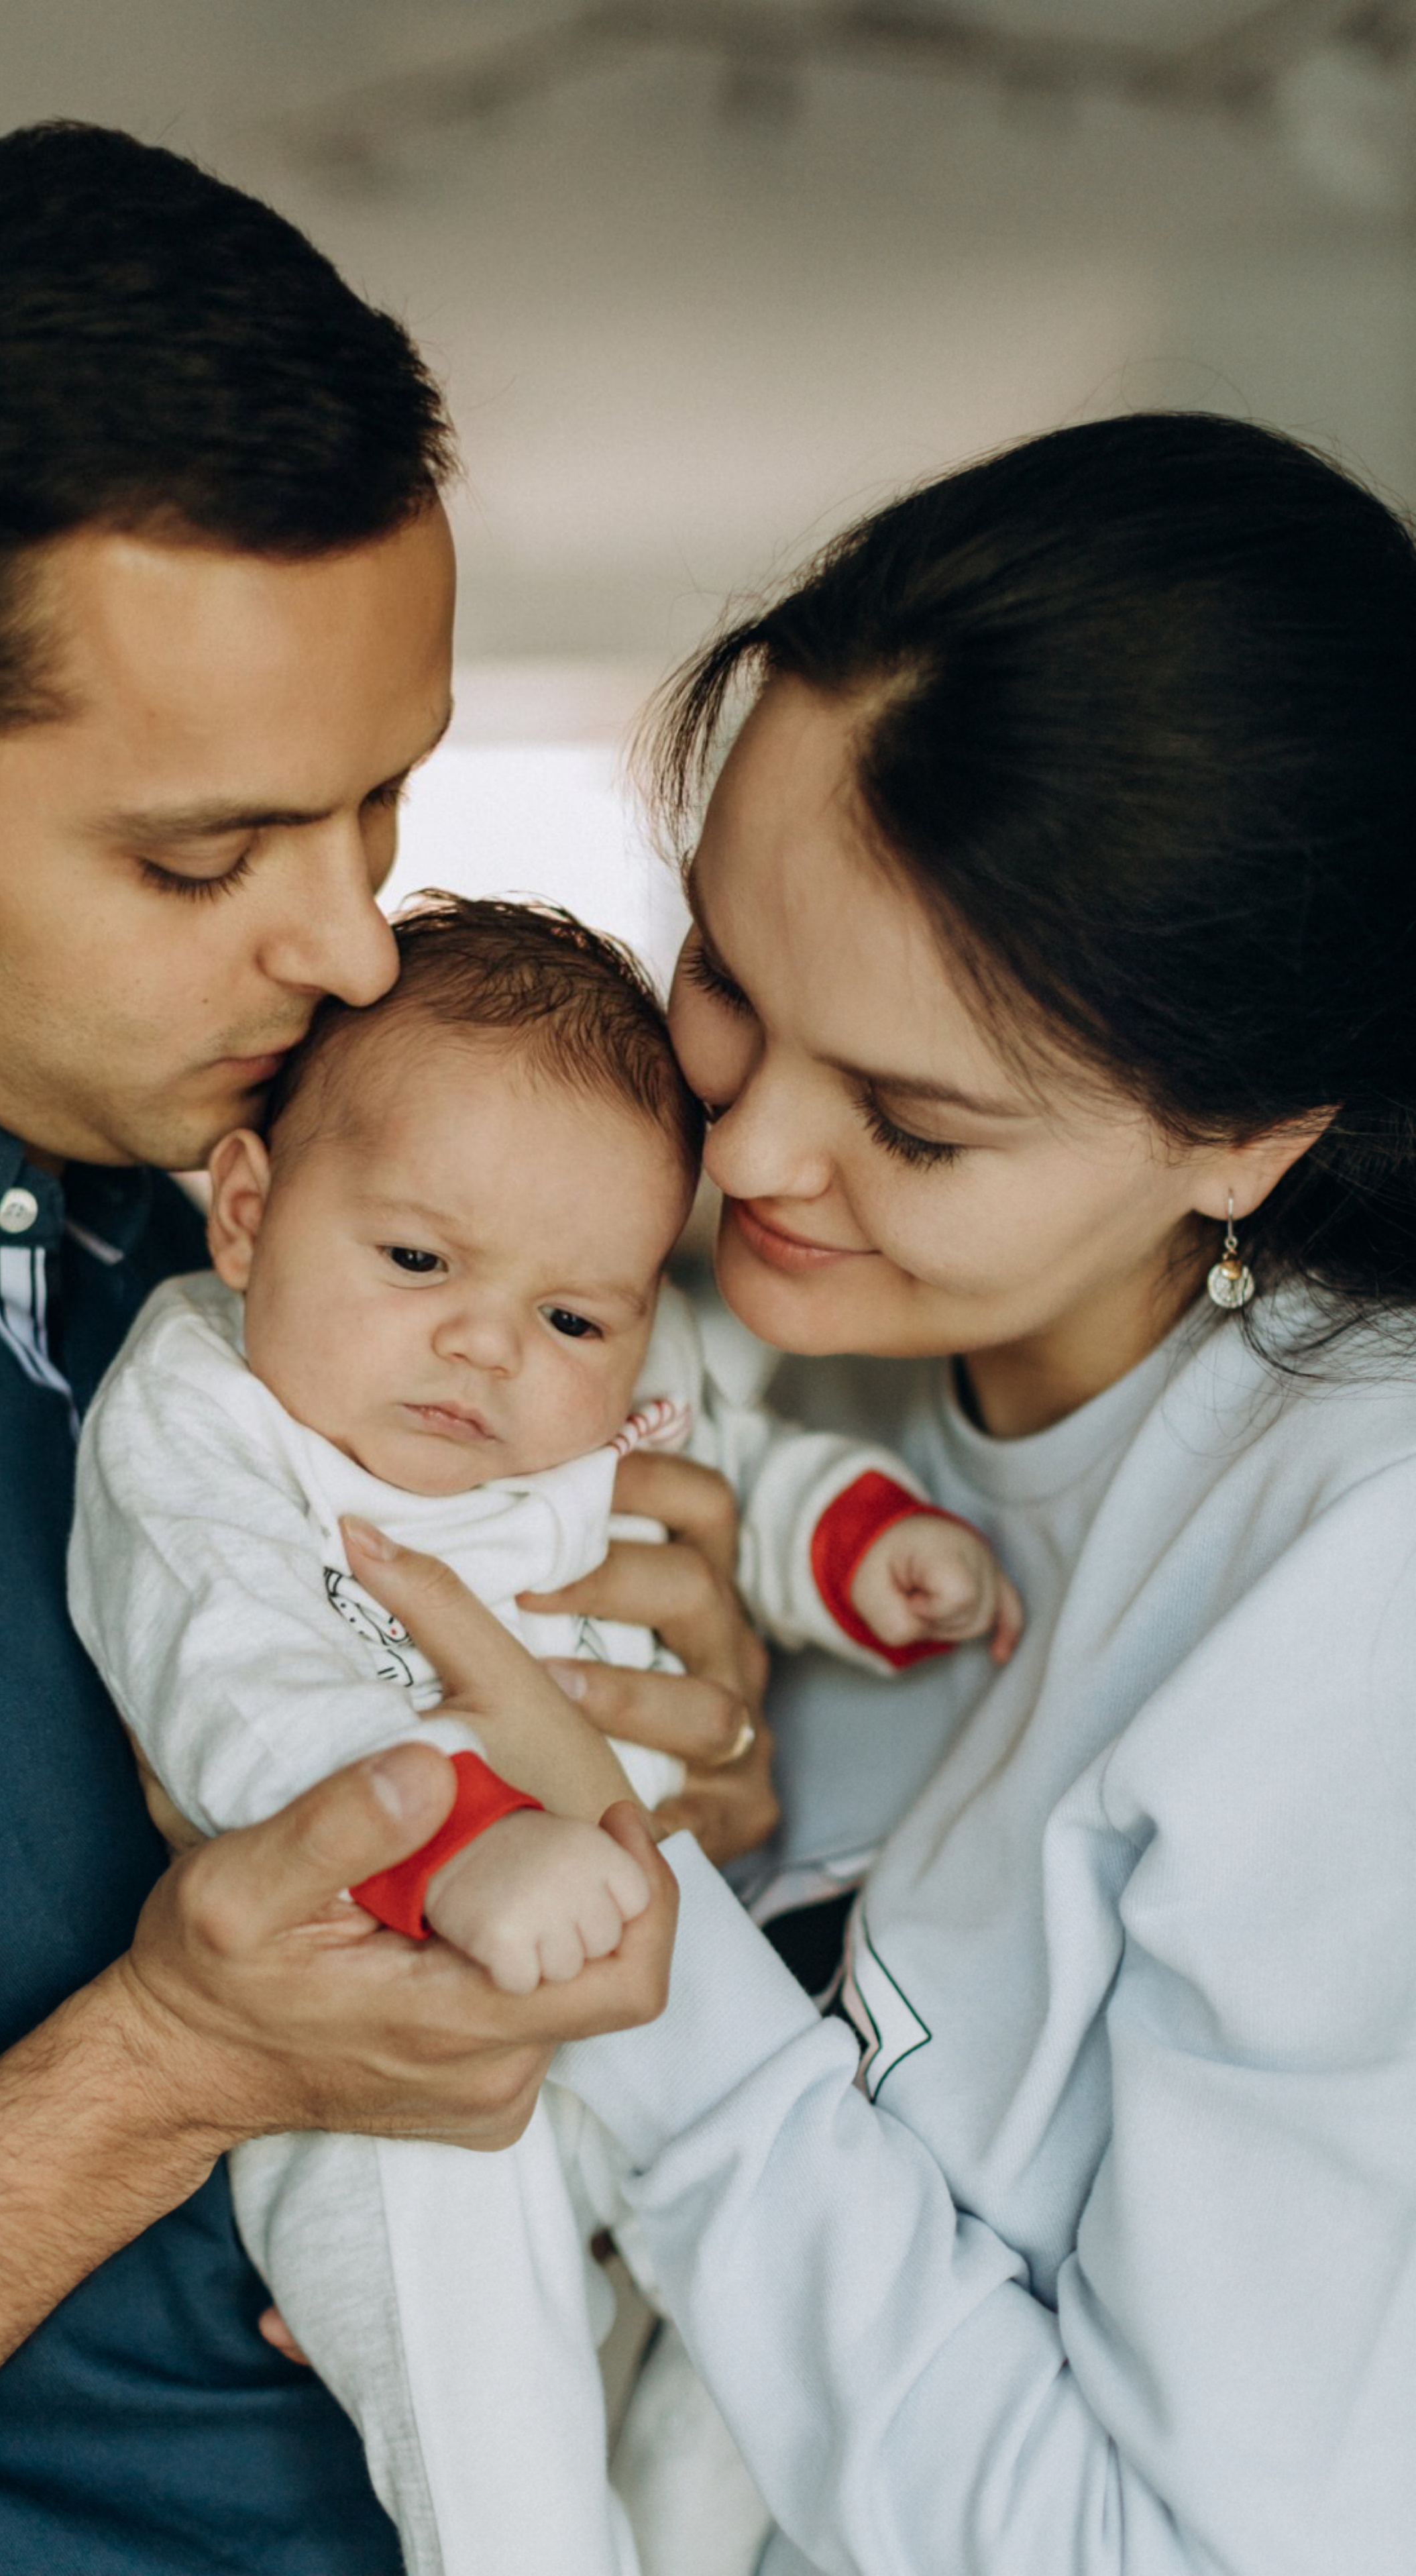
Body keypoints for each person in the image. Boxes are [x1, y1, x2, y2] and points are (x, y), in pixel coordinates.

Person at [0, 123, 722, 2575]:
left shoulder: (325, 1158)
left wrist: (633, 1712)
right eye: (205, 858)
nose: (356, 950)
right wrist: (173, 2068)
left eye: (384, 803)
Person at [335, 414, 1416, 2575]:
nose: (735, 1163)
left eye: (912, 1125)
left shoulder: (1353, 1587)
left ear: (1252, 1137)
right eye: (725, 974)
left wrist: (645, 1958)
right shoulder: (684, 1354)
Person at [68, 892, 1018, 2576]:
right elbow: (230, 1671)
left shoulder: (597, 1399)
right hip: (396, 2024)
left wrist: (853, 1547)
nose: (489, 1345)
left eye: (576, 1317)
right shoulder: (208, 1418)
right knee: (485, 2378)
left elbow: (726, 1453)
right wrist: (452, 1847)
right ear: (244, 1213)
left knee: (811, 2289)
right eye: (417, 1260)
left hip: (655, 2002)